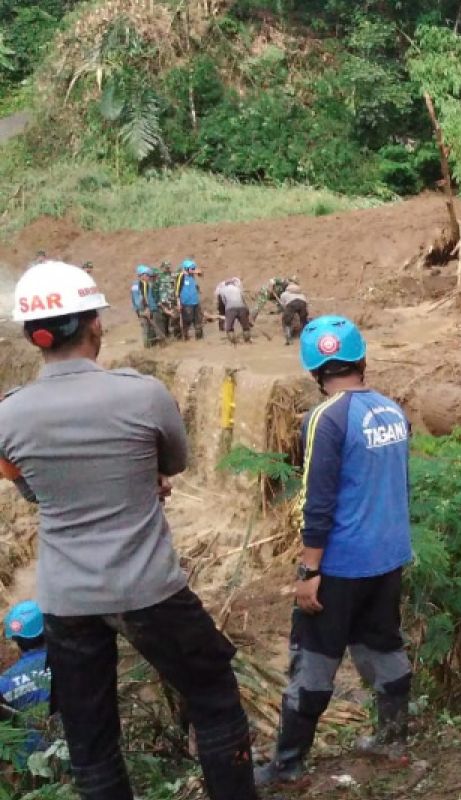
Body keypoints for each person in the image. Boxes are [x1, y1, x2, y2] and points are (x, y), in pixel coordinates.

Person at [0, 261, 257, 800]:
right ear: (95, 324)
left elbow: (32, 490)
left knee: (90, 736)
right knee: (212, 697)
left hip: (65, 600)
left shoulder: (8, 417)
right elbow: (175, 462)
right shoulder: (142, 395)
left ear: (33, 338)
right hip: (148, 588)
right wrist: (139, 483)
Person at [255, 316, 415, 787]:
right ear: (361, 359)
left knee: (315, 659)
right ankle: (392, 739)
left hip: (340, 564)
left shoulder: (324, 419)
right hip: (388, 558)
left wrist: (308, 570)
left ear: (314, 371)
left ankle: (287, 766)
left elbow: (317, 502)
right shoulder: (391, 410)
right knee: (383, 643)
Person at [0, 601, 52, 765]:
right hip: (76, 758)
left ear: (15, 639)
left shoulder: (4, 683)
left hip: (30, 766)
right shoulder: (70, 663)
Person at [131, 264, 165, 348]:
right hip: (143, 311)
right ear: (142, 275)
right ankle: (147, 347)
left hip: (151, 309)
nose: (149, 277)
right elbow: (137, 300)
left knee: (153, 329)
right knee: (146, 330)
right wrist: (144, 309)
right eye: (147, 275)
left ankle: (156, 346)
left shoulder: (147, 284)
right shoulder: (136, 286)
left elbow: (149, 298)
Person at [216, 278, 252, 344]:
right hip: (242, 307)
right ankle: (247, 341)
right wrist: (247, 312)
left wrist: (224, 314)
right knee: (245, 327)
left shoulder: (222, 290)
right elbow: (243, 301)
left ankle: (234, 343)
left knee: (229, 328)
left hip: (230, 308)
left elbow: (221, 304)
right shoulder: (238, 289)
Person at [175, 260, 204, 340]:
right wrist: (178, 304)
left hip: (195, 302)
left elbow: (201, 274)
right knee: (187, 321)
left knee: (198, 321)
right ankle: (186, 338)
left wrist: (198, 272)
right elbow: (177, 291)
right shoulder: (181, 276)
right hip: (186, 304)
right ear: (186, 268)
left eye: (194, 268)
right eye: (192, 268)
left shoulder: (192, 276)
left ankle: (200, 338)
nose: (194, 269)